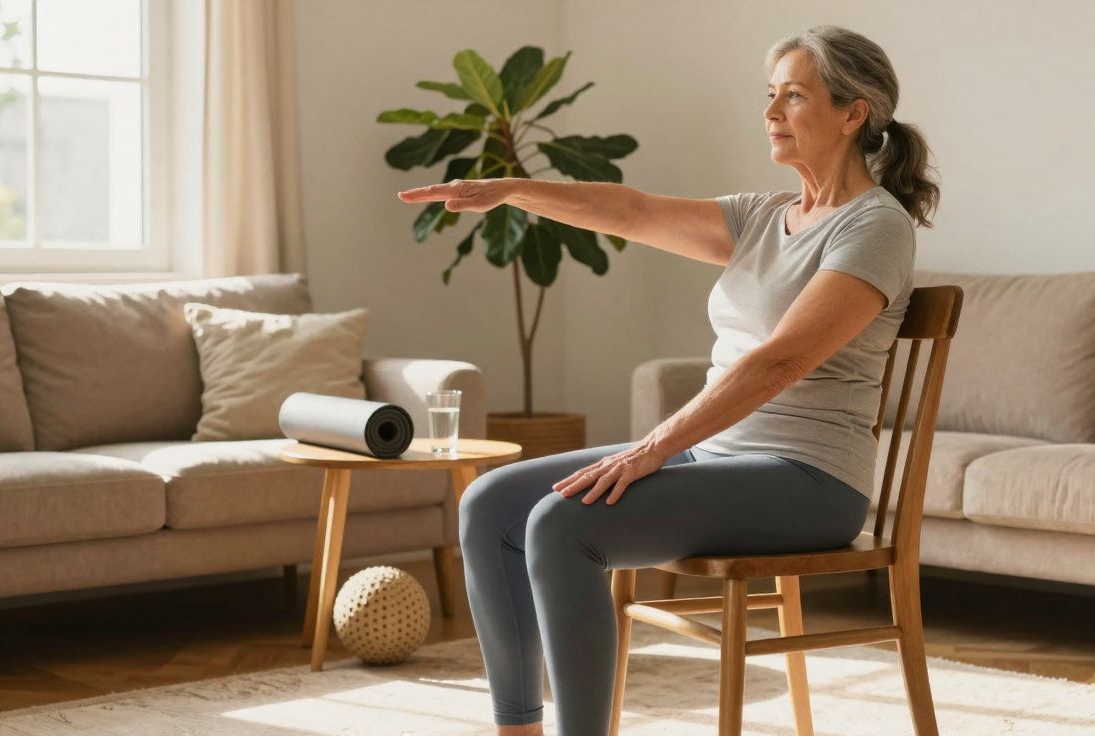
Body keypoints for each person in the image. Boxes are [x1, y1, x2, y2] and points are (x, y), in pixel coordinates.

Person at [397, 23, 940, 736]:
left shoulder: (875, 227)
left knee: (563, 527)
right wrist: (511, 192)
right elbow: (633, 210)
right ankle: (518, 729)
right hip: (719, 459)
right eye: (770, 95)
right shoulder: (763, 217)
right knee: (492, 504)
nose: (772, 112)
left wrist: (653, 446)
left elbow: (782, 360)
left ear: (852, 113)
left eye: (794, 96)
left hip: (809, 479)